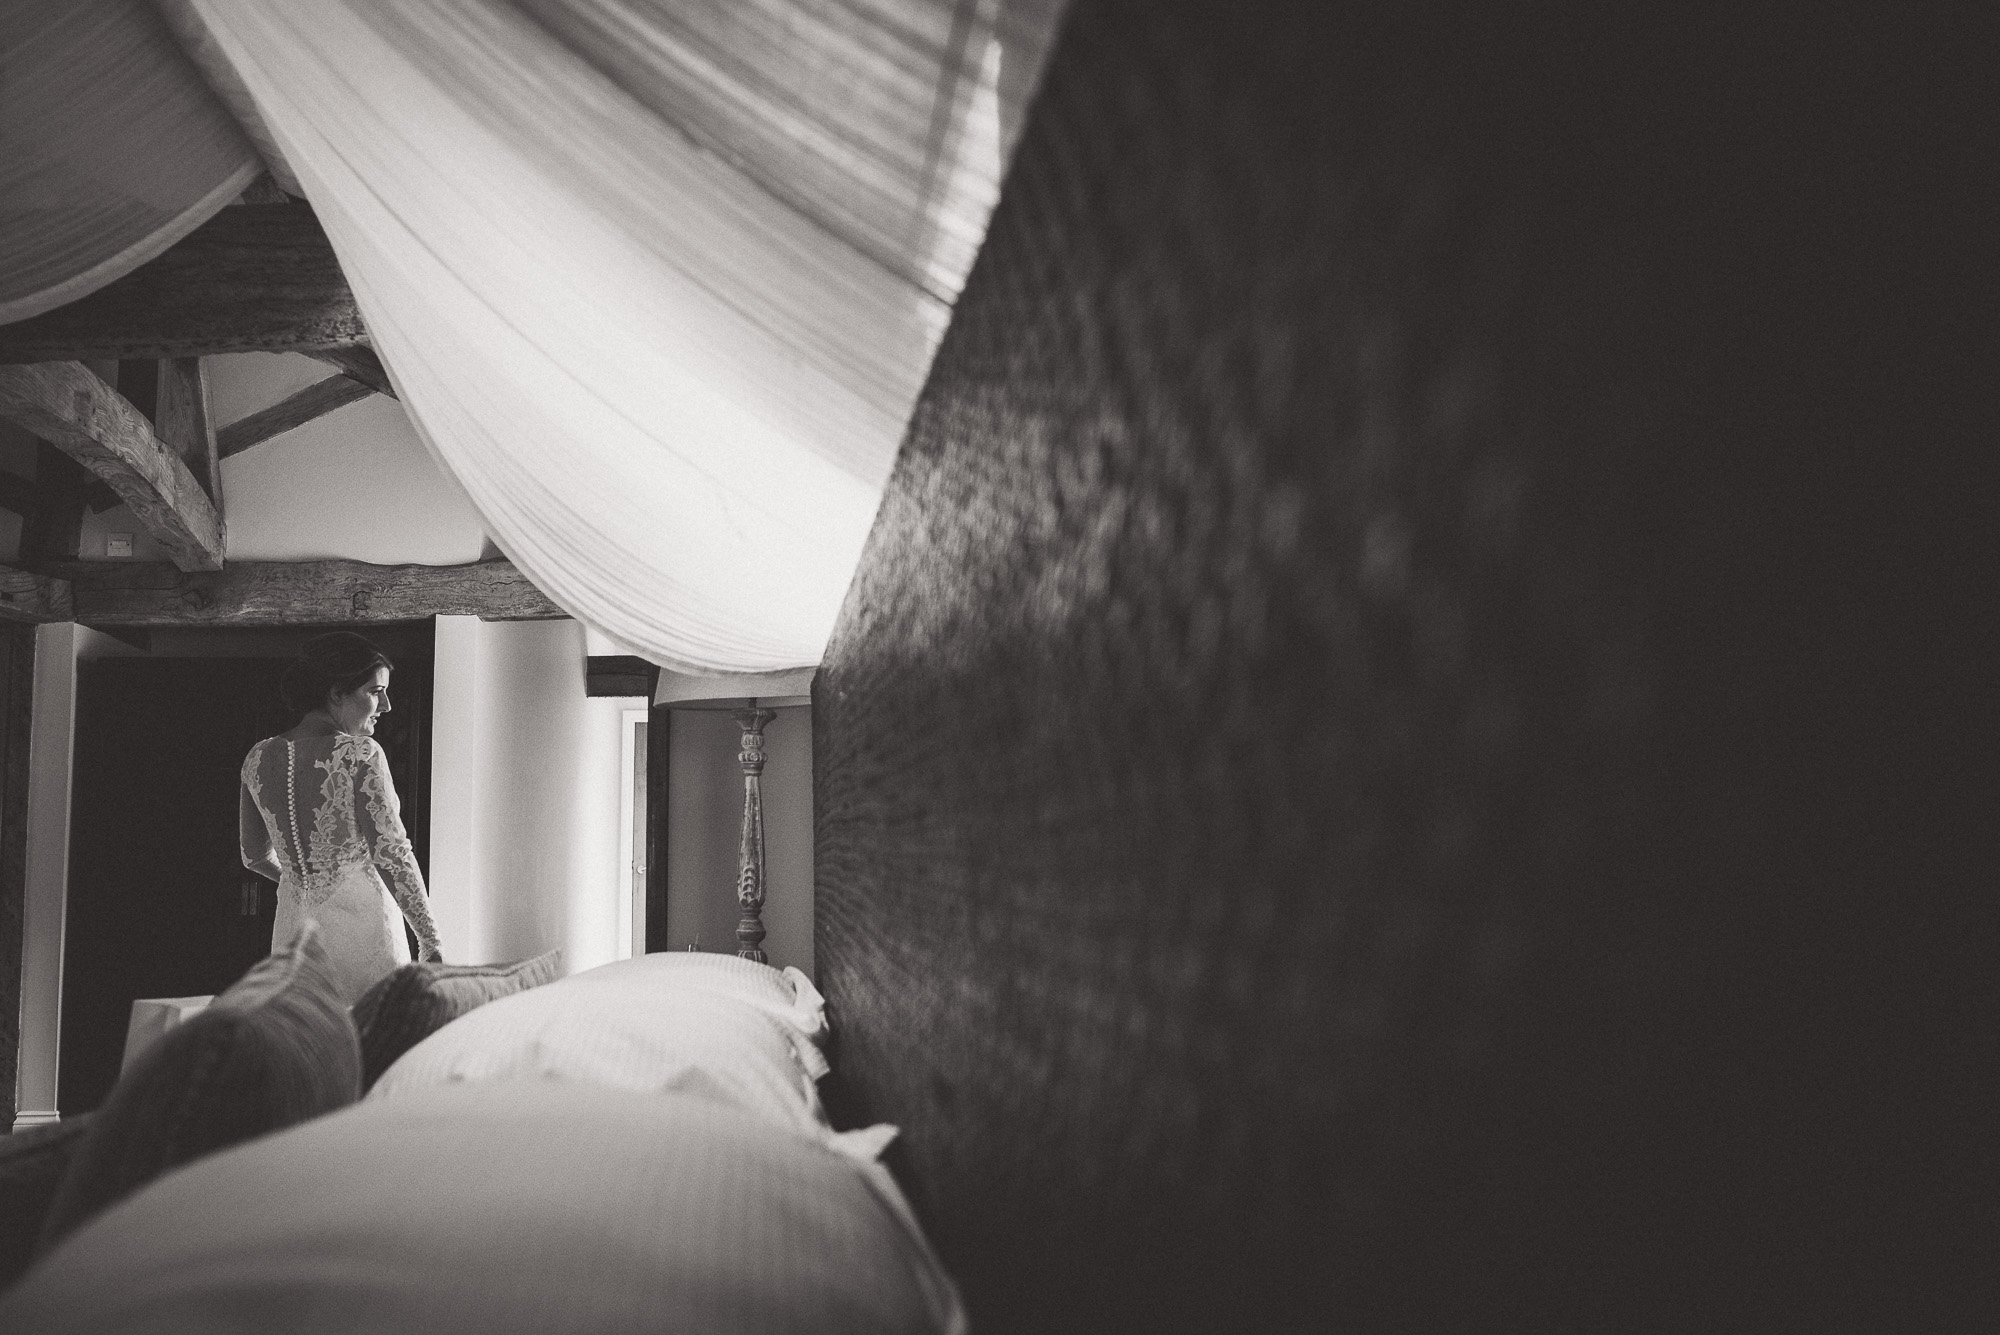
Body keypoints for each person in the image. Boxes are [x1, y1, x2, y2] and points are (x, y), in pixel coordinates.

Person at [239, 632, 443, 1002]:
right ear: (337, 692)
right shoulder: (360, 753)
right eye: (374, 691)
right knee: (371, 1042)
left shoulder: (257, 757)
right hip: (361, 927)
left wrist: (306, 883)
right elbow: (392, 855)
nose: (387, 705)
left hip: (293, 933)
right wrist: (430, 940)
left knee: (308, 1039)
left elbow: (253, 856)